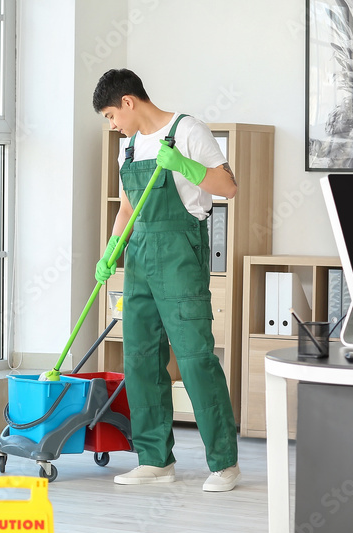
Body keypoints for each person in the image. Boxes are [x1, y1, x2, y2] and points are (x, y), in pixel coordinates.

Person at [91, 69, 241, 492]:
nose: (112, 125)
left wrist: (184, 165)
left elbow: (228, 187)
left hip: (179, 255)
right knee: (140, 358)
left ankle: (225, 464)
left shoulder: (187, 130)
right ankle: (155, 459)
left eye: (110, 115)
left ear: (128, 102)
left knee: (195, 358)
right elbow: (127, 208)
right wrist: (110, 251)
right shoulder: (129, 149)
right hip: (138, 259)